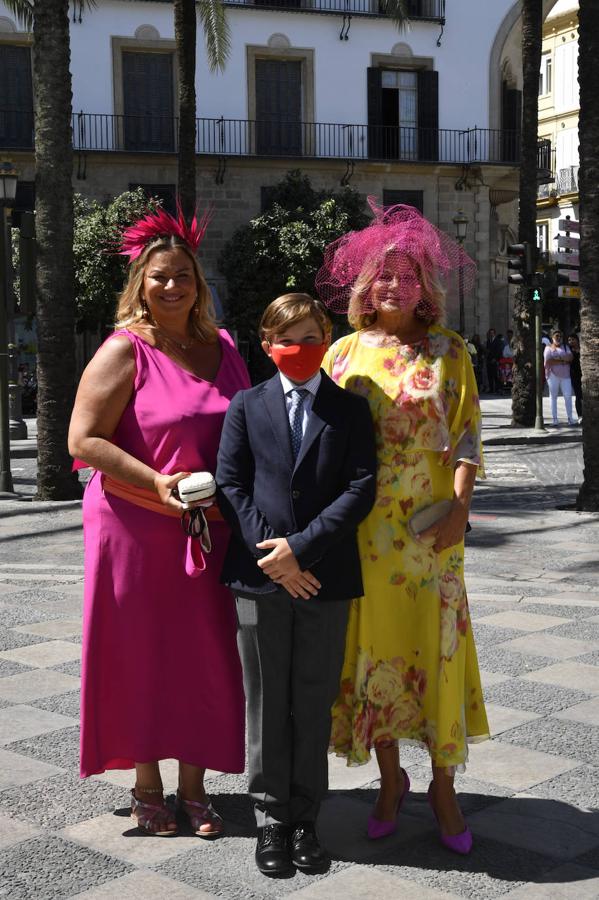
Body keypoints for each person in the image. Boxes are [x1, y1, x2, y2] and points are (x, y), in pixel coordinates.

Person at [315, 199, 489, 856]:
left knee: (435, 651)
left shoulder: (450, 351)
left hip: (431, 530)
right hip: (363, 534)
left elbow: (467, 436)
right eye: (381, 275)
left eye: (406, 274)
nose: (392, 285)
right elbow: (319, 442)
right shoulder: (342, 353)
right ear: (365, 286)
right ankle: (390, 782)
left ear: (424, 286)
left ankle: (443, 788)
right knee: (375, 658)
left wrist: (459, 511)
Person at [68, 208, 248, 837]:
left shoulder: (224, 348)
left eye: (184, 277)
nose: (173, 287)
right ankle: (147, 786)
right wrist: (157, 483)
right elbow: (83, 439)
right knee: (141, 652)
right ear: (140, 284)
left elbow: (246, 432)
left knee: (204, 654)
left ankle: (195, 788)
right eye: (160, 277)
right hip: (135, 525)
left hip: (209, 528)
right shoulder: (125, 349)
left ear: (200, 284)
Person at [216, 293, 377, 877]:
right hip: (259, 579)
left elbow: (360, 488)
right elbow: (231, 485)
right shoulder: (246, 405)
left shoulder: (349, 409)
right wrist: (274, 557)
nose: (300, 349)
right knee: (266, 700)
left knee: (311, 699)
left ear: (326, 340)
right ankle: (271, 820)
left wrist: (302, 550)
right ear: (266, 346)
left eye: (311, 338)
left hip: (324, 578)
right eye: (287, 339)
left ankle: (307, 818)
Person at [543, 329, 575, 426]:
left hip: (566, 375)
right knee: (553, 397)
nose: (559, 338)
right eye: (557, 336)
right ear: (552, 337)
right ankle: (555, 419)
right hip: (553, 375)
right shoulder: (548, 348)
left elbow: (570, 358)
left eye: (560, 336)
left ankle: (570, 418)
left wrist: (557, 358)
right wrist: (562, 360)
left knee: (568, 396)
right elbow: (548, 361)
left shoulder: (565, 347)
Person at [567, 332, 582, 422]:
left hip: (585, 374)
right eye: (569, 340)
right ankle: (580, 416)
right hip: (574, 376)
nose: (571, 341)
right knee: (578, 395)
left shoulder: (584, 349)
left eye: (573, 339)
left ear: (577, 340)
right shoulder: (568, 350)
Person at [485, 328, 501, 393]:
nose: (491, 334)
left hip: (494, 360)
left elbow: (498, 351)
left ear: (494, 333)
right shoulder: (488, 341)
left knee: (495, 375)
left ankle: (497, 389)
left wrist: (495, 358)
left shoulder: (497, 341)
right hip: (489, 360)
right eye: (490, 333)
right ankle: (491, 389)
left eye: (492, 333)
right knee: (489, 375)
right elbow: (488, 350)